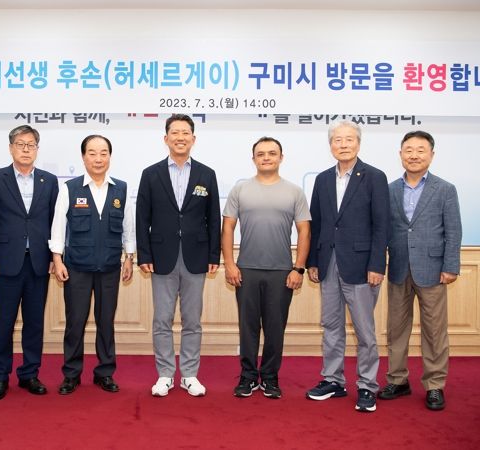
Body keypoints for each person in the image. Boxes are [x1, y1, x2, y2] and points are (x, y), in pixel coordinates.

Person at [305, 120, 389, 413]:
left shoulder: (374, 177)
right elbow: (316, 223)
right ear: (331, 145)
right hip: (328, 263)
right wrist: (313, 261)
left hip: (362, 266)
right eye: (337, 140)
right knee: (331, 325)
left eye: (349, 139)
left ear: (358, 143)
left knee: (365, 331)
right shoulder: (323, 179)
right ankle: (333, 380)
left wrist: (377, 264)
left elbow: (381, 225)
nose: (343, 144)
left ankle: (367, 386)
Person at [136, 113, 221, 397]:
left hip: (197, 256)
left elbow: (213, 218)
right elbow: (142, 217)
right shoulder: (151, 174)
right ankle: (164, 375)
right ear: (166, 138)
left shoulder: (207, 174)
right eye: (175, 132)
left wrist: (214, 255)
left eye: (185, 133)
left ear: (193, 139)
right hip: (161, 256)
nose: (180, 137)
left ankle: (189, 375)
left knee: (192, 320)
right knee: (162, 319)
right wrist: (144, 254)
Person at [378, 131, 462, 411]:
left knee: (434, 331)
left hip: (433, 269)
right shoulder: (389, 189)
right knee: (396, 329)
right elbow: (382, 230)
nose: (414, 155)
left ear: (431, 155)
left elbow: (453, 231)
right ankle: (398, 380)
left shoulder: (445, 189)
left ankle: (435, 384)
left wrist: (450, 266)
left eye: (420, 150)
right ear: (400, 154)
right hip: (398, 268)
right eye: (409, 150)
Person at [222, 137, 310, 399]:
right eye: (261, 154)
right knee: (247, 327)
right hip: (246, 270)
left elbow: (304, 231)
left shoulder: (294, 192)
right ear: (253, 159)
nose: (266, 158)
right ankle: (248, 377)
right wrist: (230, 264)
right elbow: (227, 227)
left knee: (275, 328)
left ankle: (270, 377)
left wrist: (298, 269)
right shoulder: (240, 190)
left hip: (282, 271)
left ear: (281, 158)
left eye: (272, 153)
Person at [49, 134, 134, 395]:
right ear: (83, 157)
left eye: (103, 153)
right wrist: (57, 259)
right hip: (77, 267)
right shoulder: (70, 188)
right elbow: (58, 225)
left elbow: (128, 227)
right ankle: (71, 374)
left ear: (110, 157)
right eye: (92, 153)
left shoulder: (121, 189)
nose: (98, 159)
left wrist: (129, 257)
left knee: (106, 323)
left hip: (110, 267)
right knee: (75, 322)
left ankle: (105, 373)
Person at [0, 125, 59, 400]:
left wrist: (55, 256)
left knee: (34, 322)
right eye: (20, 144)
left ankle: (29, 374)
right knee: (3, 322)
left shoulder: (49, 180)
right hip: (5, 262)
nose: (26, 149)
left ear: (37, 149)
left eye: (31, 145)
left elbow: (55, 223)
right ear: (11, 148)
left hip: (39, 262)